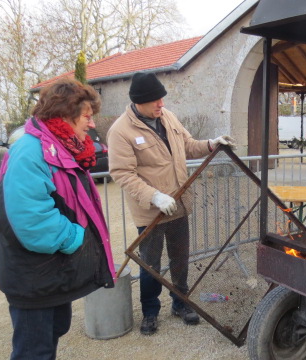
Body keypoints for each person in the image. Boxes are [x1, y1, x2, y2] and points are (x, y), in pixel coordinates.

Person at [0, 78, 116, 359]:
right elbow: (31, 220)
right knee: (34, 351)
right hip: (33, 277)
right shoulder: (31, 152)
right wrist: (76, 236)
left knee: (52, 335)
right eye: (86, 116)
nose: (91, 123)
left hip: (49, 274)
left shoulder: (59, 149)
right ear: (64, 114)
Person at [107, 72, 235, 335]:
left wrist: (211, 144)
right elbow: (122, 173)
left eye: (162, 99)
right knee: (151, 264)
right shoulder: (121, 131)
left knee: (180, 259)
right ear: (138, 102)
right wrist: (154, 196)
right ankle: (150, 312)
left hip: (179, 205)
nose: (161, 105)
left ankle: (180, 303)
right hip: (151, 212)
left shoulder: (168, 117)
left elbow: (187, 145)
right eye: (155, 101)